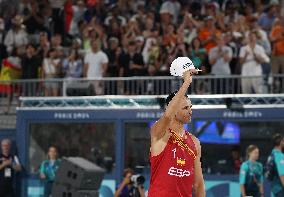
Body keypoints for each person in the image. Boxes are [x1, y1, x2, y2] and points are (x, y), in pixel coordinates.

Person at [148, 69, 205, 197]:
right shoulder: (159, 133)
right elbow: (167, 116)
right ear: (173, 109)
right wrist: (186, 83)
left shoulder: (194, 142)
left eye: (190, 107)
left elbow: (198, 183)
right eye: (185, 108)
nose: (190, 111)